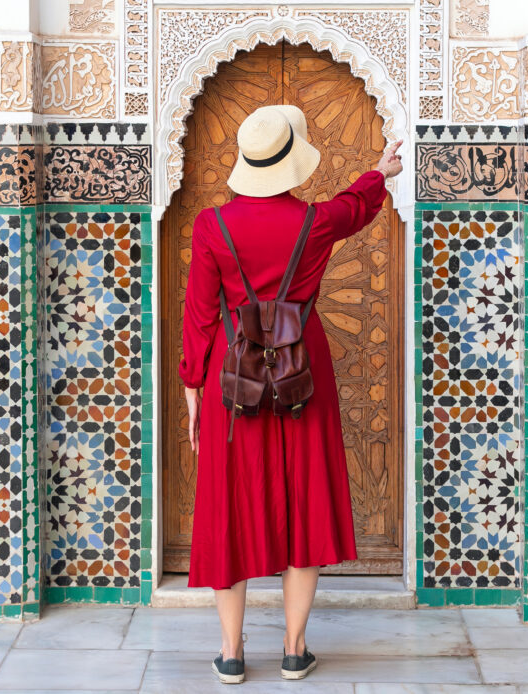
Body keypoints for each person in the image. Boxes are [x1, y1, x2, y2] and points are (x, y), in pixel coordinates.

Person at [177, 103, 404, 684]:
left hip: (234, 385)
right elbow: (354, 207)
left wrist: (192, 391)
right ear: (288, 163)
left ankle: (231, 653)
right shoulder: (315, 221)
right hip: (305, 375)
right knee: (302, 503)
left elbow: (200, 316)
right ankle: (293, 649)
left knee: (229, 507)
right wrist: (379, 171)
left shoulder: (211, 226)